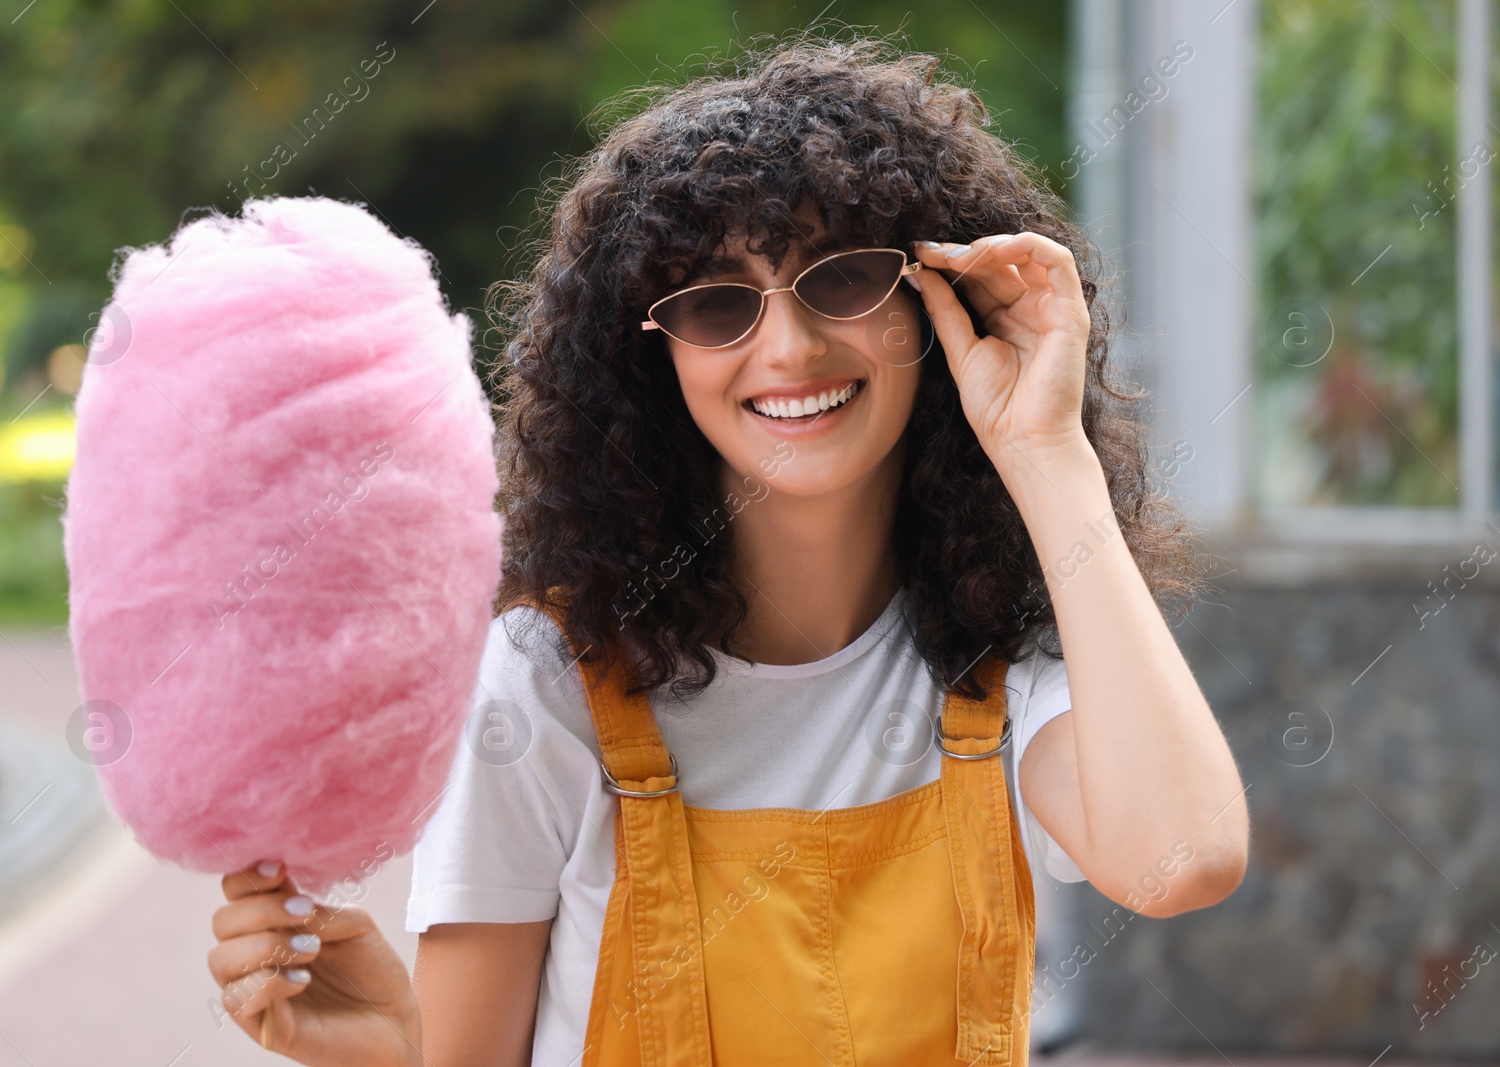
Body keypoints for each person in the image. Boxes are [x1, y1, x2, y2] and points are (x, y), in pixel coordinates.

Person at [206, 33, 1248, 1067]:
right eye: (715, 302)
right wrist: (388, 1051)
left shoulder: (995, 659)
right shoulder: (544, 686)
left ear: (935, 304)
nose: (790, 346)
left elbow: (1182, 858)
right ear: (644, 357)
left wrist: (1043, 449)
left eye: (841, 278)